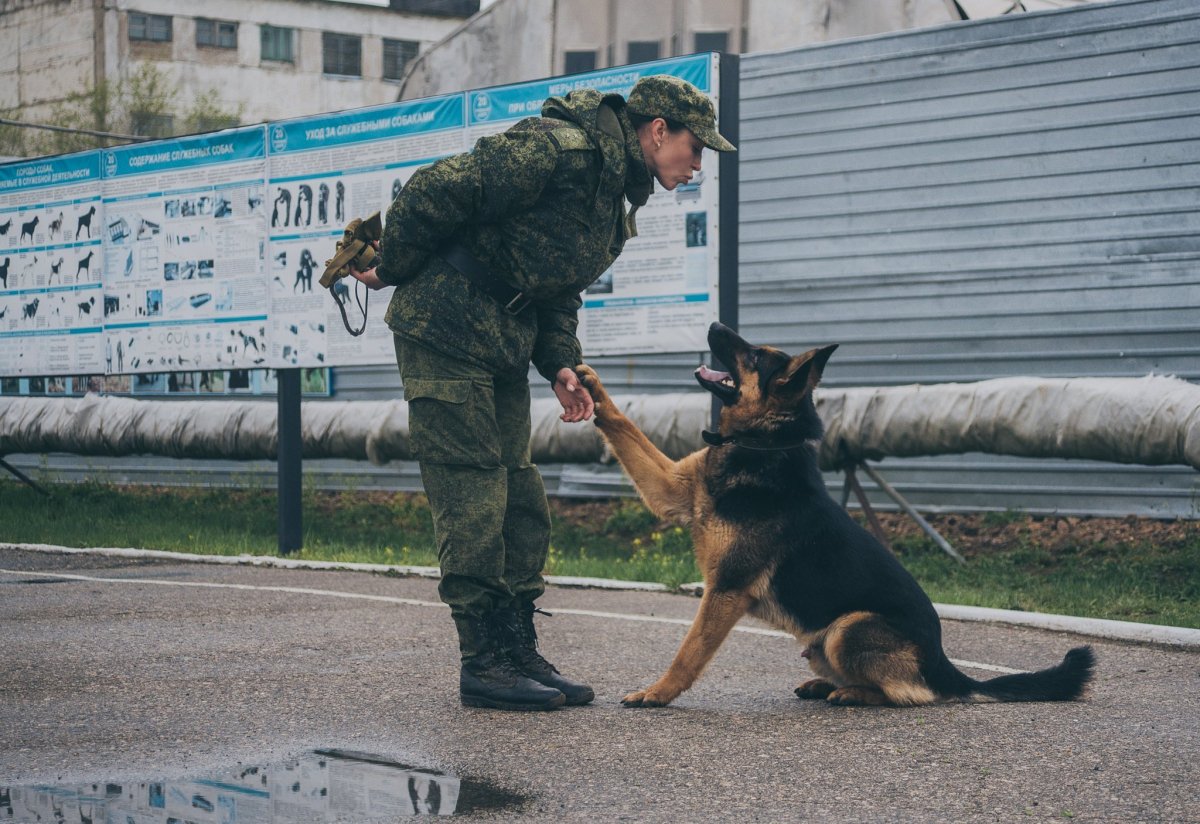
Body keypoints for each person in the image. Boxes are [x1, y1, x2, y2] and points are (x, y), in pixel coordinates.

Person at [349, 74, 736, 711]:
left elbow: (560, 287)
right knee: (473, 490)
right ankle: (483, 662)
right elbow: (434, 189)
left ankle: (517, 647)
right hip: (442, 327)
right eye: (695, 148)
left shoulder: (613, 200)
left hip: (502, 339)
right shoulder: (560, 150)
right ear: (658, 130)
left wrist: (560, 362)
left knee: (519, 493)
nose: (698, 164)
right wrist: (392, 266)